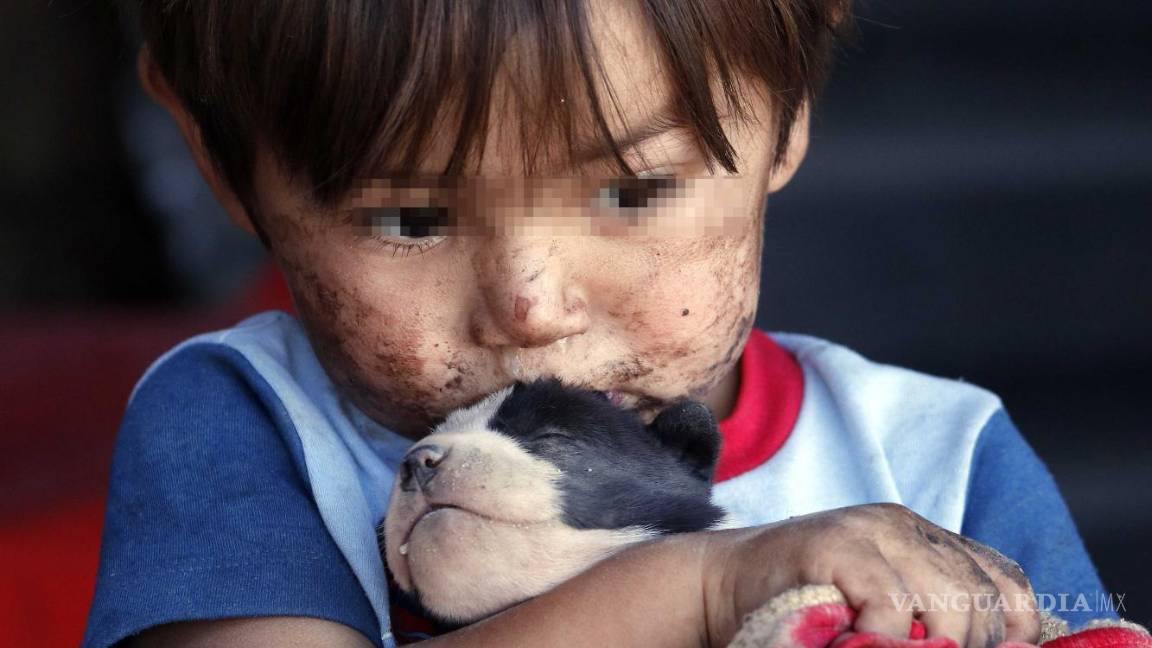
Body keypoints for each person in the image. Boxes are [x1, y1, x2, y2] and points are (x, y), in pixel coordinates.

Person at [85, 1, 1110, 646]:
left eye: (630, 192)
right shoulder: (245, 428)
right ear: (219, 162)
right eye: (409, 218)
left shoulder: (939, 460)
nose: (534, 307)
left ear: (790, 104)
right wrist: (702, 592)